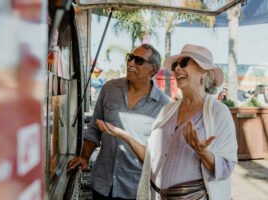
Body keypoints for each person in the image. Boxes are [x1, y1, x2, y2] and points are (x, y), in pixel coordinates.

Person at [97, 44, 238, 200]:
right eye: (175, 65)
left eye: (184, 63)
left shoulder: (218, 112)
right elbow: (150, 158)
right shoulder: (168, 110)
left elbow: (226, 168)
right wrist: (123, 135)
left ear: (203, 73)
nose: (177, 69)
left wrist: (202, 152)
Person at [67, 44, 170, 200]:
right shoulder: (110, 88)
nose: (131, 63)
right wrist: (85, 157)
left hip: (134, 189)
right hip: (102, 184)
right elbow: (94, 128)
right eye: (130, 58)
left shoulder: (164, 105)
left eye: (139, 61)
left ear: (153, 70)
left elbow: (158, 155)